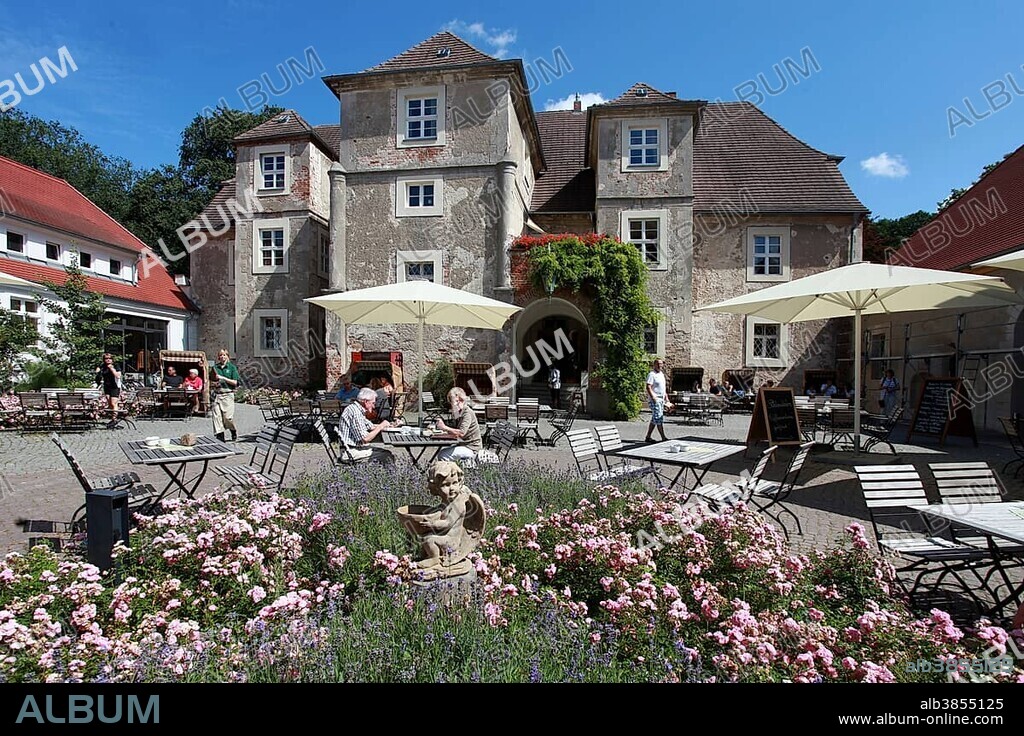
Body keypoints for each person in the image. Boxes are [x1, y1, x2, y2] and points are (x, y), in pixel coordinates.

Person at [336, 387, 393, 463]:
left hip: (354, 448)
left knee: (386, 453)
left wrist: (390, 425)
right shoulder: (355, 412)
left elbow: (371, 426)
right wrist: (380, 426)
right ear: (366, 402)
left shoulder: (357, 409)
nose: (373, 406)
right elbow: (365, 439)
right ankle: (385, 474)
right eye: (373, 403)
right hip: (350, 452)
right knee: (387, 456)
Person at [434, 387, 484, 464]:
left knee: (443, 454)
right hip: (463, 444)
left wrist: (444, 427)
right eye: (451, 402)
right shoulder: (458, 413)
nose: (453, 404)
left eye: (455, 401)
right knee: (443, 452)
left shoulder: (467, 413)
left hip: (472, 448)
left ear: (461, 400)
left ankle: (449, 474)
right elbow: (454, 429)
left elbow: (461, 433)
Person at [209, 349, 240, 441]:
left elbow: (235, 382)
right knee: (216, 416)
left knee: (227, 417)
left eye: (224, 355)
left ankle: (233, 430)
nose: (222, 357)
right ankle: (220, 436)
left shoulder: (232, 368)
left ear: (227, 356)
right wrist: (213, 384)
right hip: (217, 394)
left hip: (228, 394)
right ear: (218, 357)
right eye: (220, 355)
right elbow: (211, 380)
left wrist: (223, 378)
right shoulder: (215, 368)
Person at [644, 358, 673, 442]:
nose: (660, 365)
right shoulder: (652, 374)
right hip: (655, 399)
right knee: (658, 417)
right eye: (658, 364)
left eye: (661, 364)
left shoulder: (661, 375)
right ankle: (663, 437)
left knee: (655, 418)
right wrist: (653, 397)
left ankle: (648, 437)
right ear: (654, 365)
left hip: (661, 399)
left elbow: (663, 389)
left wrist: (666, 398)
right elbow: (648, 386)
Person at [95, 353, 121, 427]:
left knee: (113, 403)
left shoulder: (116, 365)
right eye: (106, 358)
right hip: (107, 386)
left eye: (110, 358)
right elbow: (98, 372)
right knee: (109, 403)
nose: (108, 359)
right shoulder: (103, 366)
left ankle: (114, 419)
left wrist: (112, 368)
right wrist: (97, 371)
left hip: (115, 386)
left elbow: (118, 375)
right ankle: (113, 418)